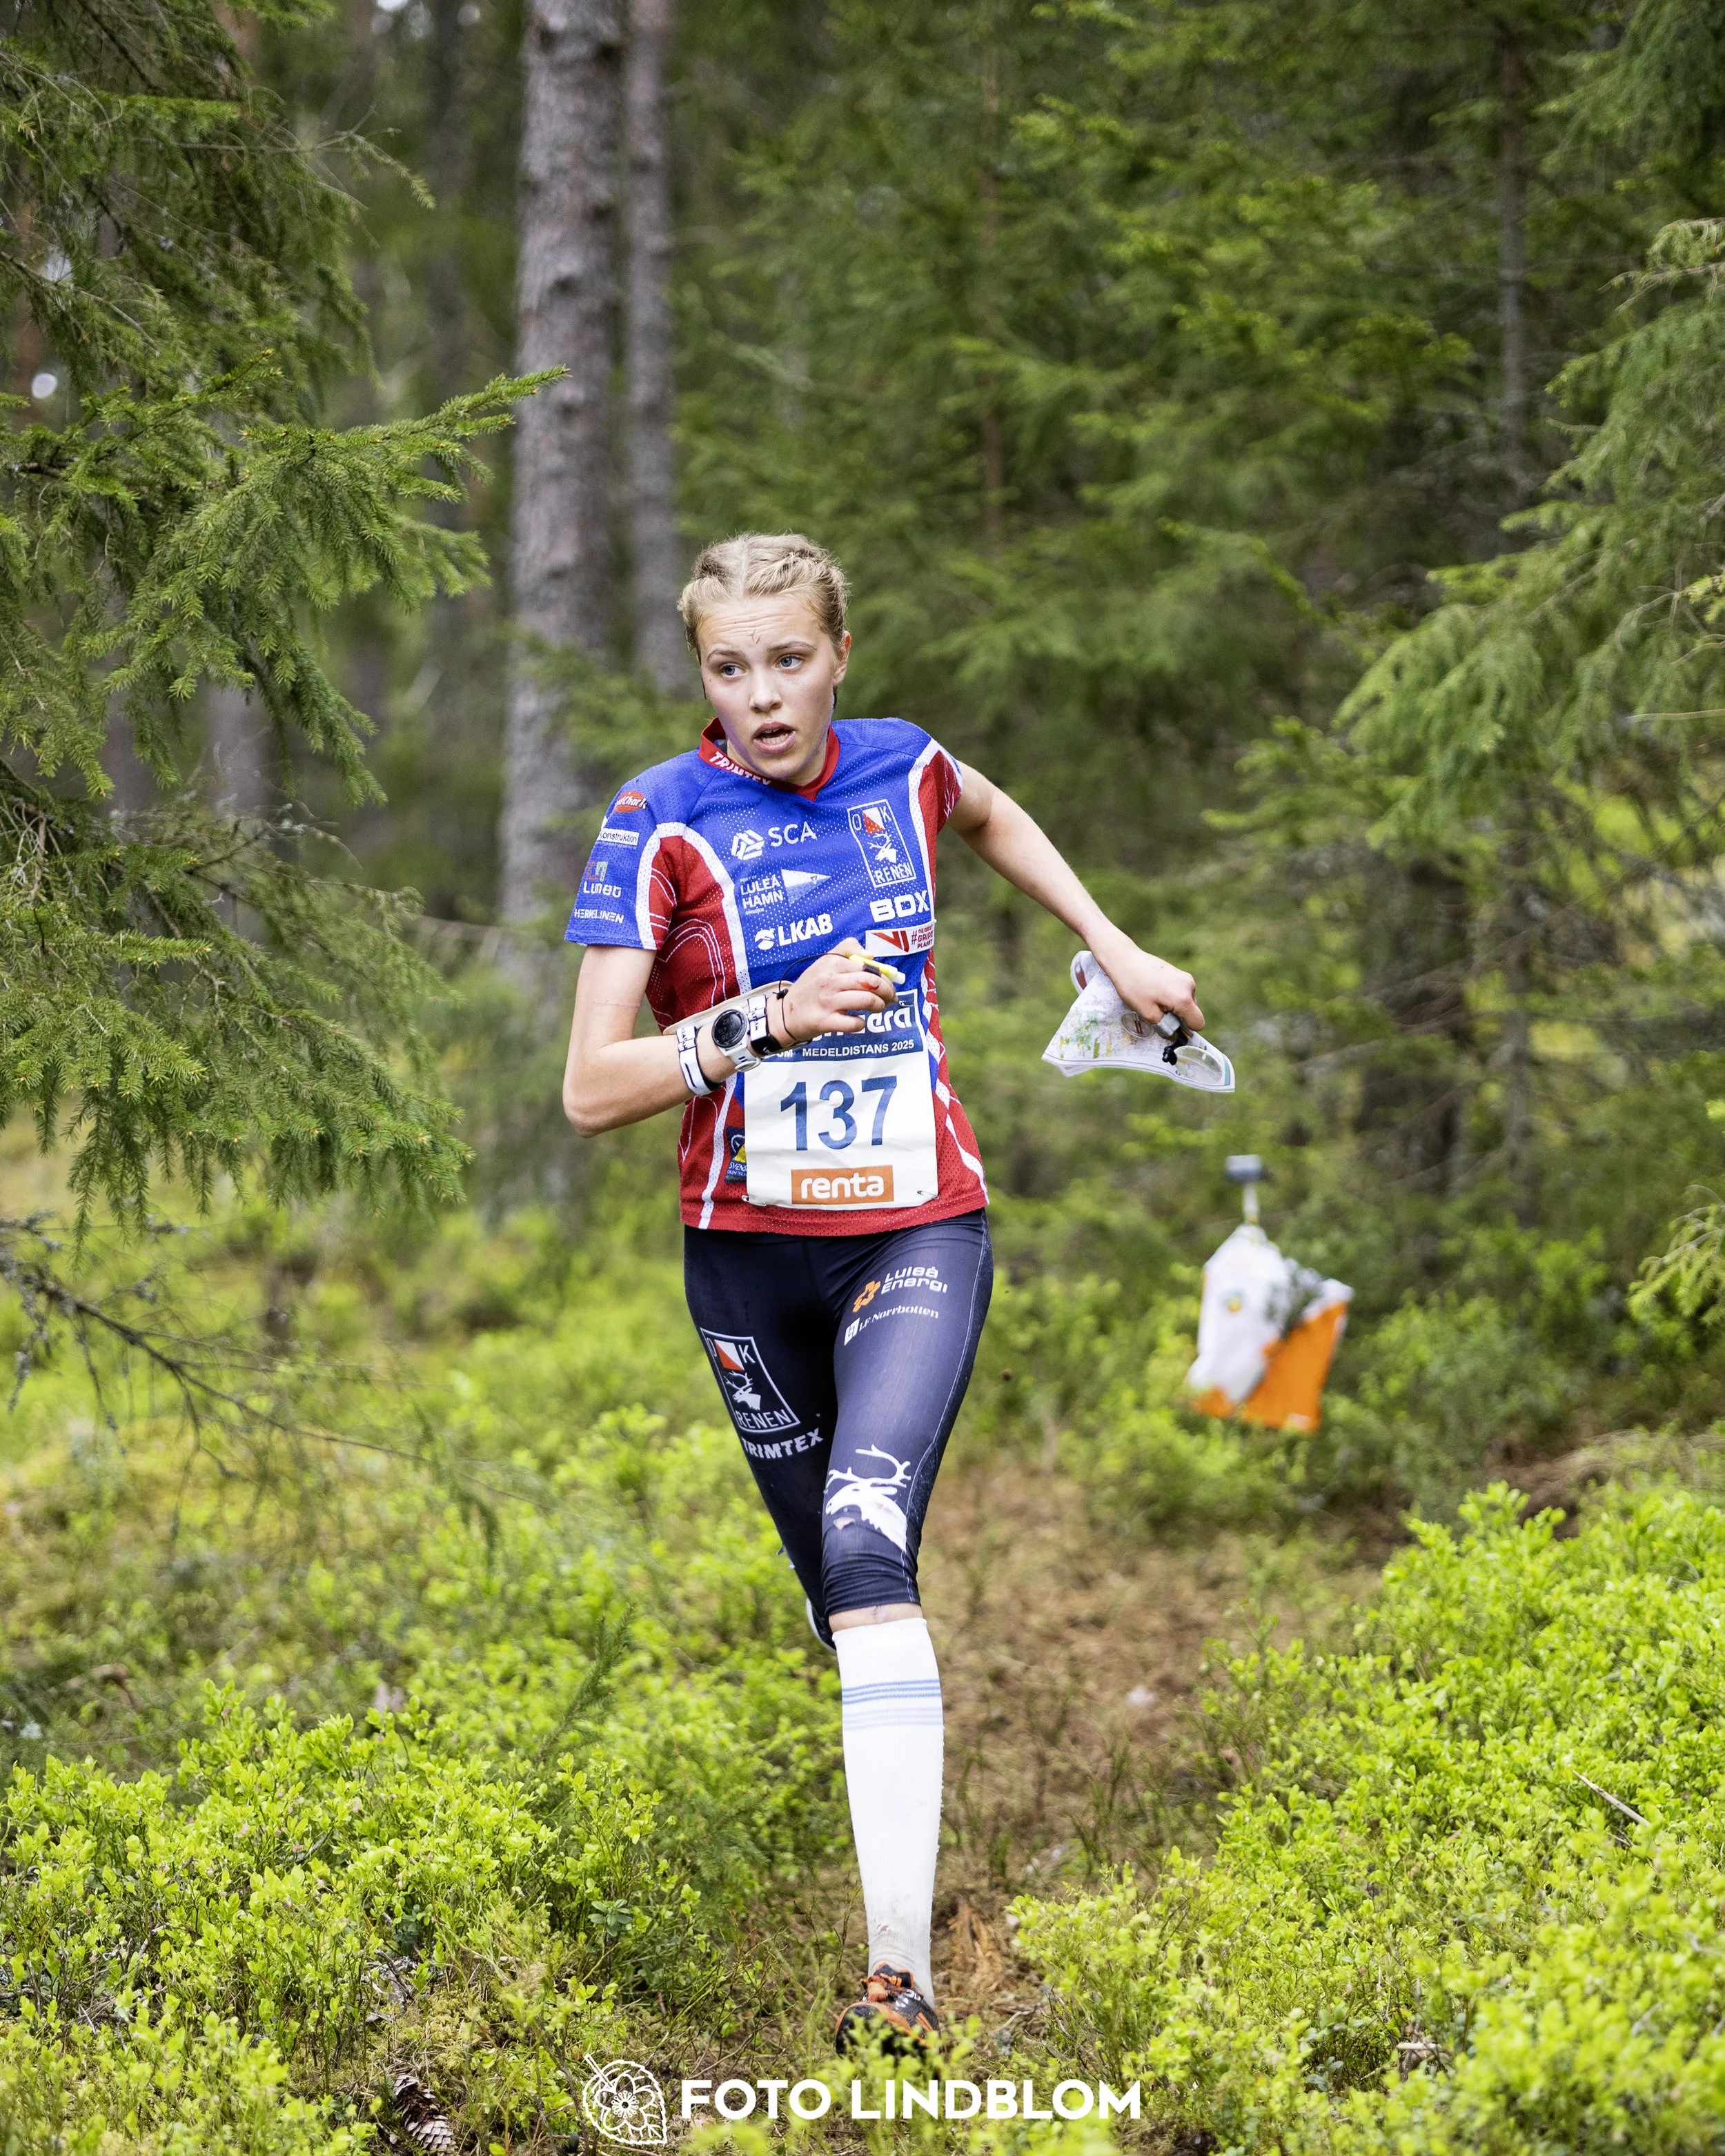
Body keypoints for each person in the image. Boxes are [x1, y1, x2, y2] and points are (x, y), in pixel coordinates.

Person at [561, 533, 1203, 2050]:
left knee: (866, 1546)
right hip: (741, 1258)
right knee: (836, 1601)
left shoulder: (902, 765)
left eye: (788, 660)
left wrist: (1106, 940)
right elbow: (592, 1086)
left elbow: (988, 810)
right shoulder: (657, 817)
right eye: (729, 667)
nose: (761, 696)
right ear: (699, 673)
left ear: (837, 653)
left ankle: (896, 1976)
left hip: (918, 1223)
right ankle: (890, 1796)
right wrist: (758, 1017)